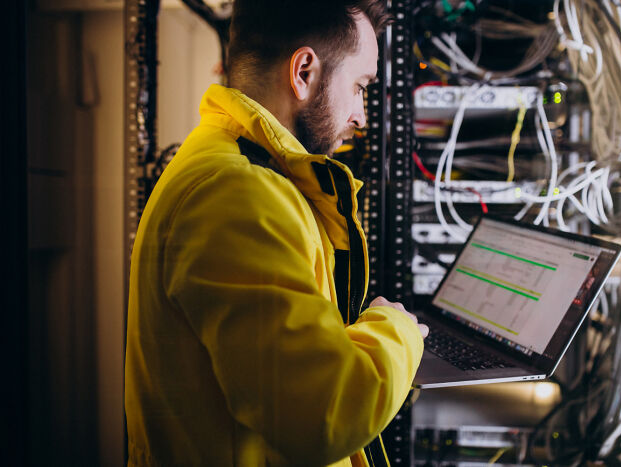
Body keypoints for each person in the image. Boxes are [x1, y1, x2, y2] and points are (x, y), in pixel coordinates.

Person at [125, 1, 429, 466]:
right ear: (304, 71)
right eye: (359, 87)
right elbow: (323, 413)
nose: (362, 116)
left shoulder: (241, 169)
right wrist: (399, 330)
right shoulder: (236, 193)